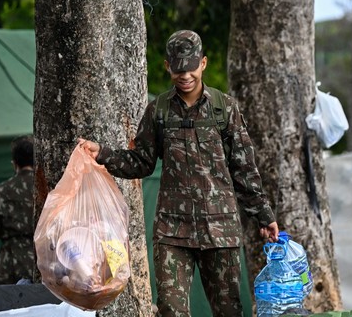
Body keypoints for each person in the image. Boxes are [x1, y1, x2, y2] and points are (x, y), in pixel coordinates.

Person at [79, 30, 279, 316]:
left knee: (229, 311)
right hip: (173, 233)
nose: (185, 75)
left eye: (191, 68)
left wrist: (264, 215)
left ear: (204, 64)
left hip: (219, 232)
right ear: (167, 66)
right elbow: (141, 162)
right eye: (178, 69)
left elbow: (244, 169)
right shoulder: (158, 111)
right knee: (170, 311)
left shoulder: (225, 109)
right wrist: (103, 154)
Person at [0, 135, 35, 284]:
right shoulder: (50, 190)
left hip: (9, 265)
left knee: (5, 305)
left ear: (14, 163)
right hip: (44, 262)